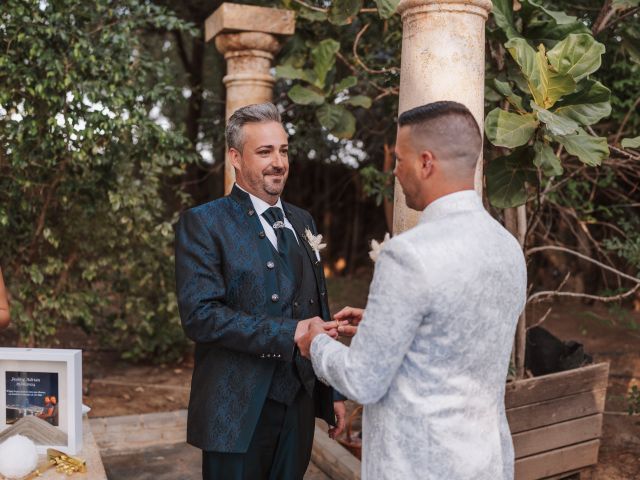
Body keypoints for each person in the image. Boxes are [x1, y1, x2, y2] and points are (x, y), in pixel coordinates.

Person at [297, 101, 527, 480]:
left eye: (399, 160)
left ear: (425, 163)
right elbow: (465, 329)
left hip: (420, 465)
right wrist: (385, 324)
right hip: (486, 462)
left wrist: (315, 345)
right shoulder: (507, 247)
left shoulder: (408, 254)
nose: (396, 172)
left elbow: (362, 380)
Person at [175, 102, 345, 480]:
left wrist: (331, 392)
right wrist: (290, 333)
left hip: (298, 404)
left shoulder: (303, 220)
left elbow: (317, 303)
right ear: (236, 157)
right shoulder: (204, 223)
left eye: (283, 150)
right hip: (234, 410)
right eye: (265, 151)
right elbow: (200, 317)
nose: (279, 162)